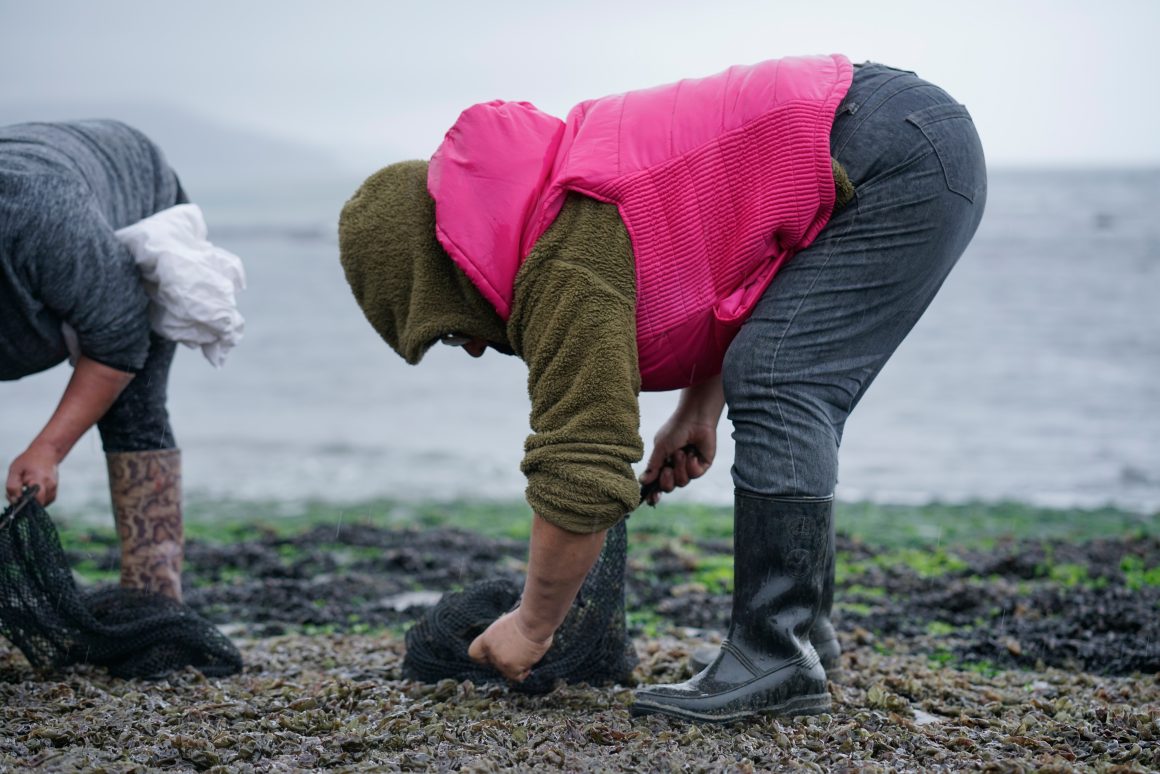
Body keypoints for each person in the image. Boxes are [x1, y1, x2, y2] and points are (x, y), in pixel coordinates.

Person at [337, 54, 986, 722]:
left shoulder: (563, 256)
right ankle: (800, 639)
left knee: (781, 380)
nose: (472, 347)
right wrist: (697, 409)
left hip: (892, 151)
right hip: (901, 132)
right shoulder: (560, 200)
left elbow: (582, 466)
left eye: (447, 331)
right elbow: (737, 261)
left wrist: (532, 625)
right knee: (776, 369)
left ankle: (777, 653)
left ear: (438, 274)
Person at [1, 120, 209, 603]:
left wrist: (47, 450)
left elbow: (120, 343)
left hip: (132, 200)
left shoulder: (43, 219)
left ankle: (156, 603)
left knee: (132, 411)